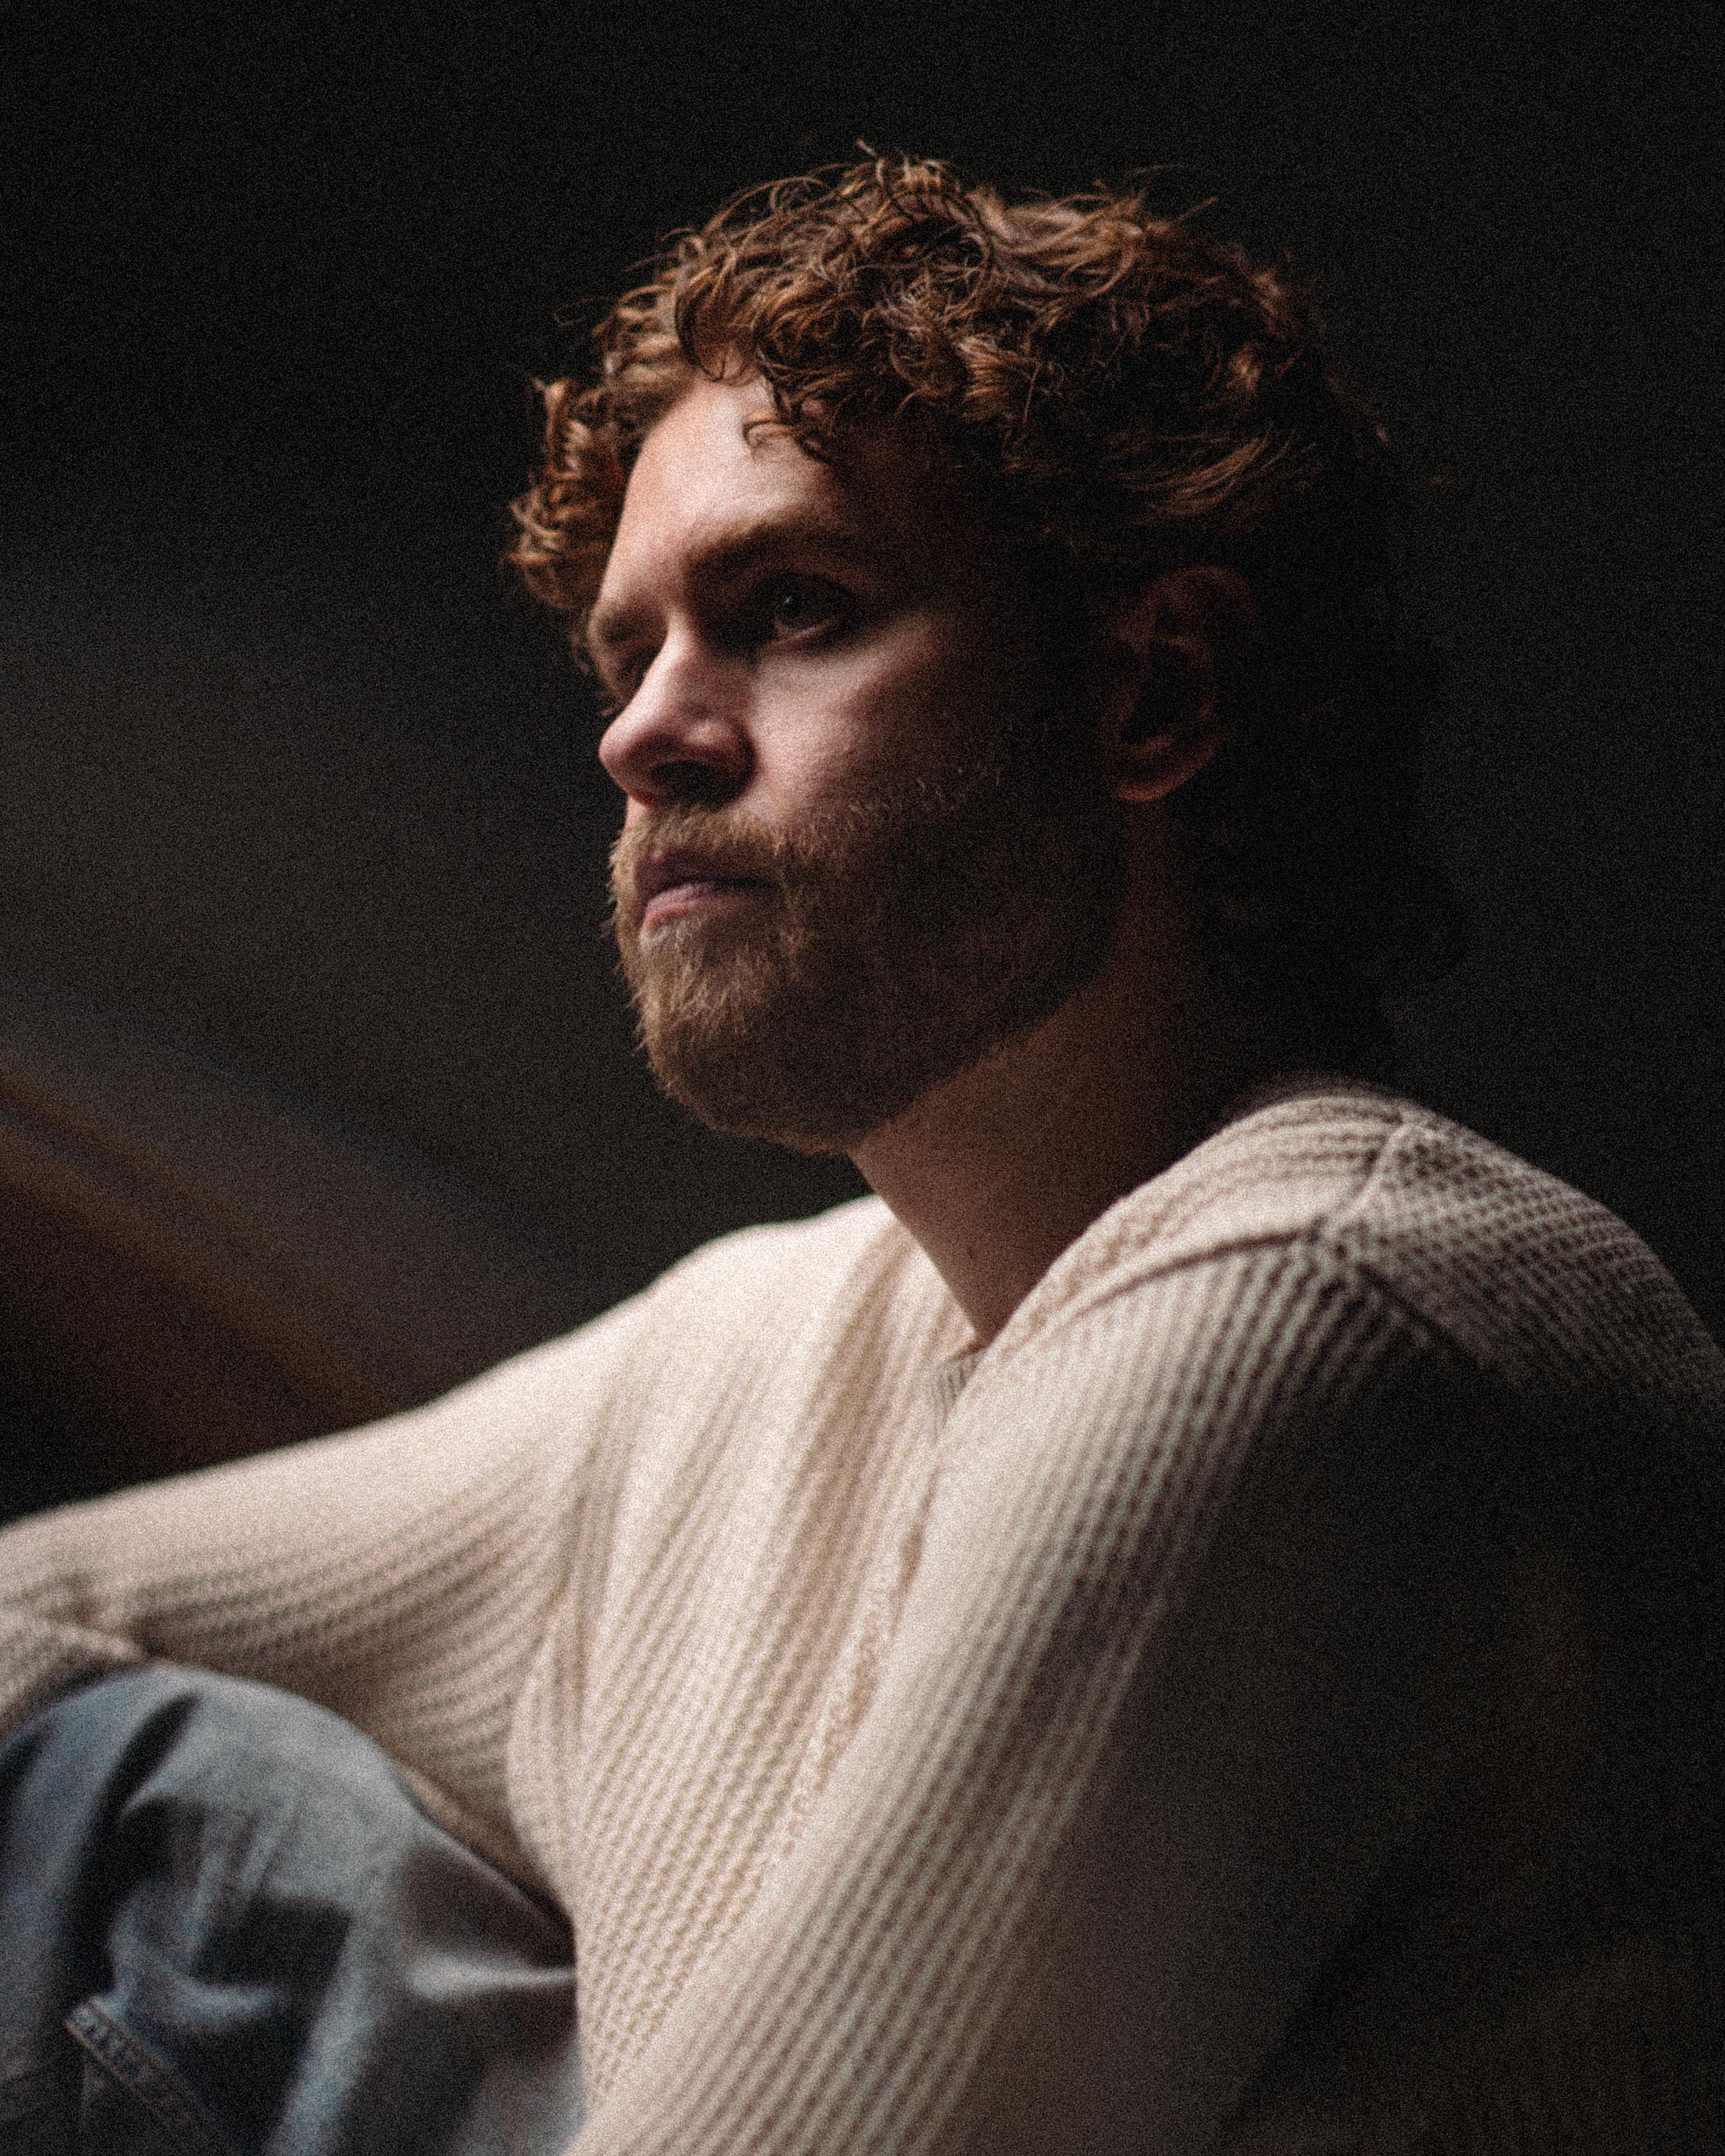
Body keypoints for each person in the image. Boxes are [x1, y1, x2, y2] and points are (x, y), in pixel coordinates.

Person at [2, 154, 1723, 2154]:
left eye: (790, 610)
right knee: (147, 1796)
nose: (644, 735)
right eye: (627, 651)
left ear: (1149, 687)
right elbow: (55, 1619)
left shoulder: (1329, 1314)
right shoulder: (760, 1351)